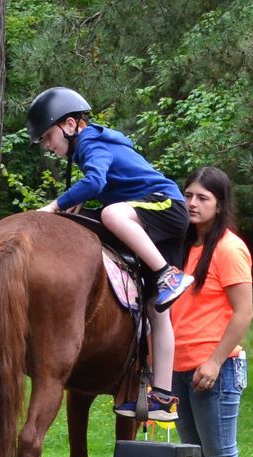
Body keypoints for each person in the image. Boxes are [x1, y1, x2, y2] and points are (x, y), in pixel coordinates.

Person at [26, 87, 190, 422]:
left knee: (111, 214)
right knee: (155, 309)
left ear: (70, 124)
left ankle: (168, 274)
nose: (47, 145)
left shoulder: (91, 144)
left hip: (165, 205)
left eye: (47, 136)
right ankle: (161, 396)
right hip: (149, 217)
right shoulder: (84, 148)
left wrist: (51, 207)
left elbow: (95, 182)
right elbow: (80, 199)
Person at [170, 167, 253, 457]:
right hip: (179, 370)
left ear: (219, 205)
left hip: (215, 371)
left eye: (202, 198)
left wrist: (215, 362)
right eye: (188, 195)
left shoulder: (229, 249)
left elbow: (243, 312)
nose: (192, 203)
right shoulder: (182, 247)